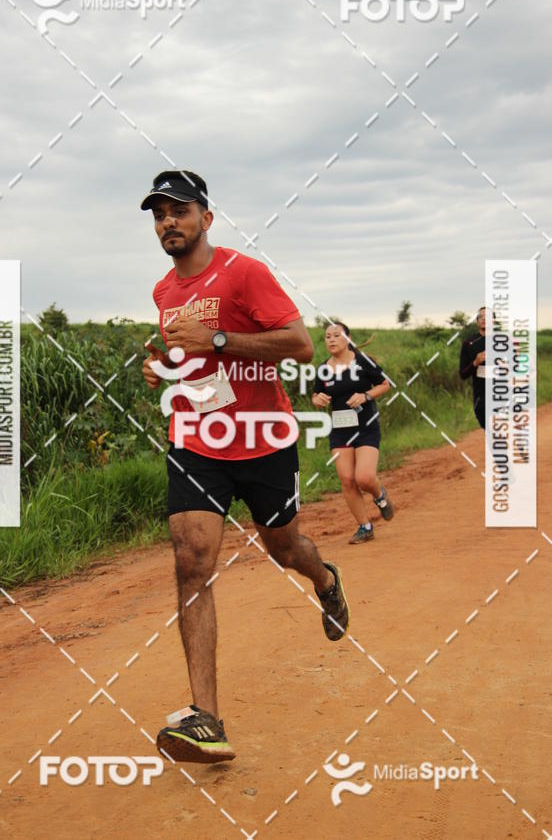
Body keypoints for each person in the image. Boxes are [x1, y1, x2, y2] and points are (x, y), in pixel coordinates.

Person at [140, 170, 350, 764]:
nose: (167, 223)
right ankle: (206, 718)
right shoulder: (163, 291)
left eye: (178, 210)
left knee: (285, 548)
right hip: (196, 440)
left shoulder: (245, 272)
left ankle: (326, 581)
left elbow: (299, 344)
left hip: (262, 440)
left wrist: (221, 342)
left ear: (206, 217)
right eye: (158, 214)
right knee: (191, 560)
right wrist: (167, 368)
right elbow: (190, 356)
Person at [311, 322, 394, 544]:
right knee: (347, 480)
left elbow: (385, 384)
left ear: (347, 339)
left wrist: (365, 396)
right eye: (327, 336)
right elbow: (316, 394)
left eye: (336, 335)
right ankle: (365, 526)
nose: (331, 339)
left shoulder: (363, 361)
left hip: (366, 426)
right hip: (340, 430)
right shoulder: (323, 369)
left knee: (364, 477)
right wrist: (318, 400)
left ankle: (379, 495)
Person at [459, 307, 487, 428]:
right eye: (481, 317)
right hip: (481, 397)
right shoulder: (469, 343)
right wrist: (476, 362)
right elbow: (463, 374)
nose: (485, 320)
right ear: (477, 321)